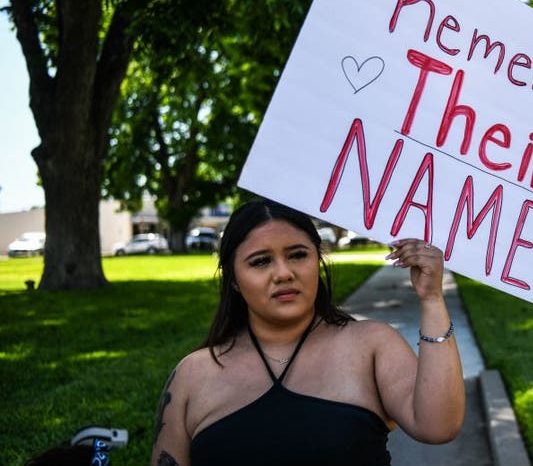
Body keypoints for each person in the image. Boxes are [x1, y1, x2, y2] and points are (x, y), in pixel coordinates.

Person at [150, 199, 465, 465]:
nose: (284, 273)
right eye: (261, 262)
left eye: (298, 255)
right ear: (233, 279)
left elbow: (439, 425)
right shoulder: (193, 375)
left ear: (318, 259)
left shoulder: (371, 345)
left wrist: (432, 298)